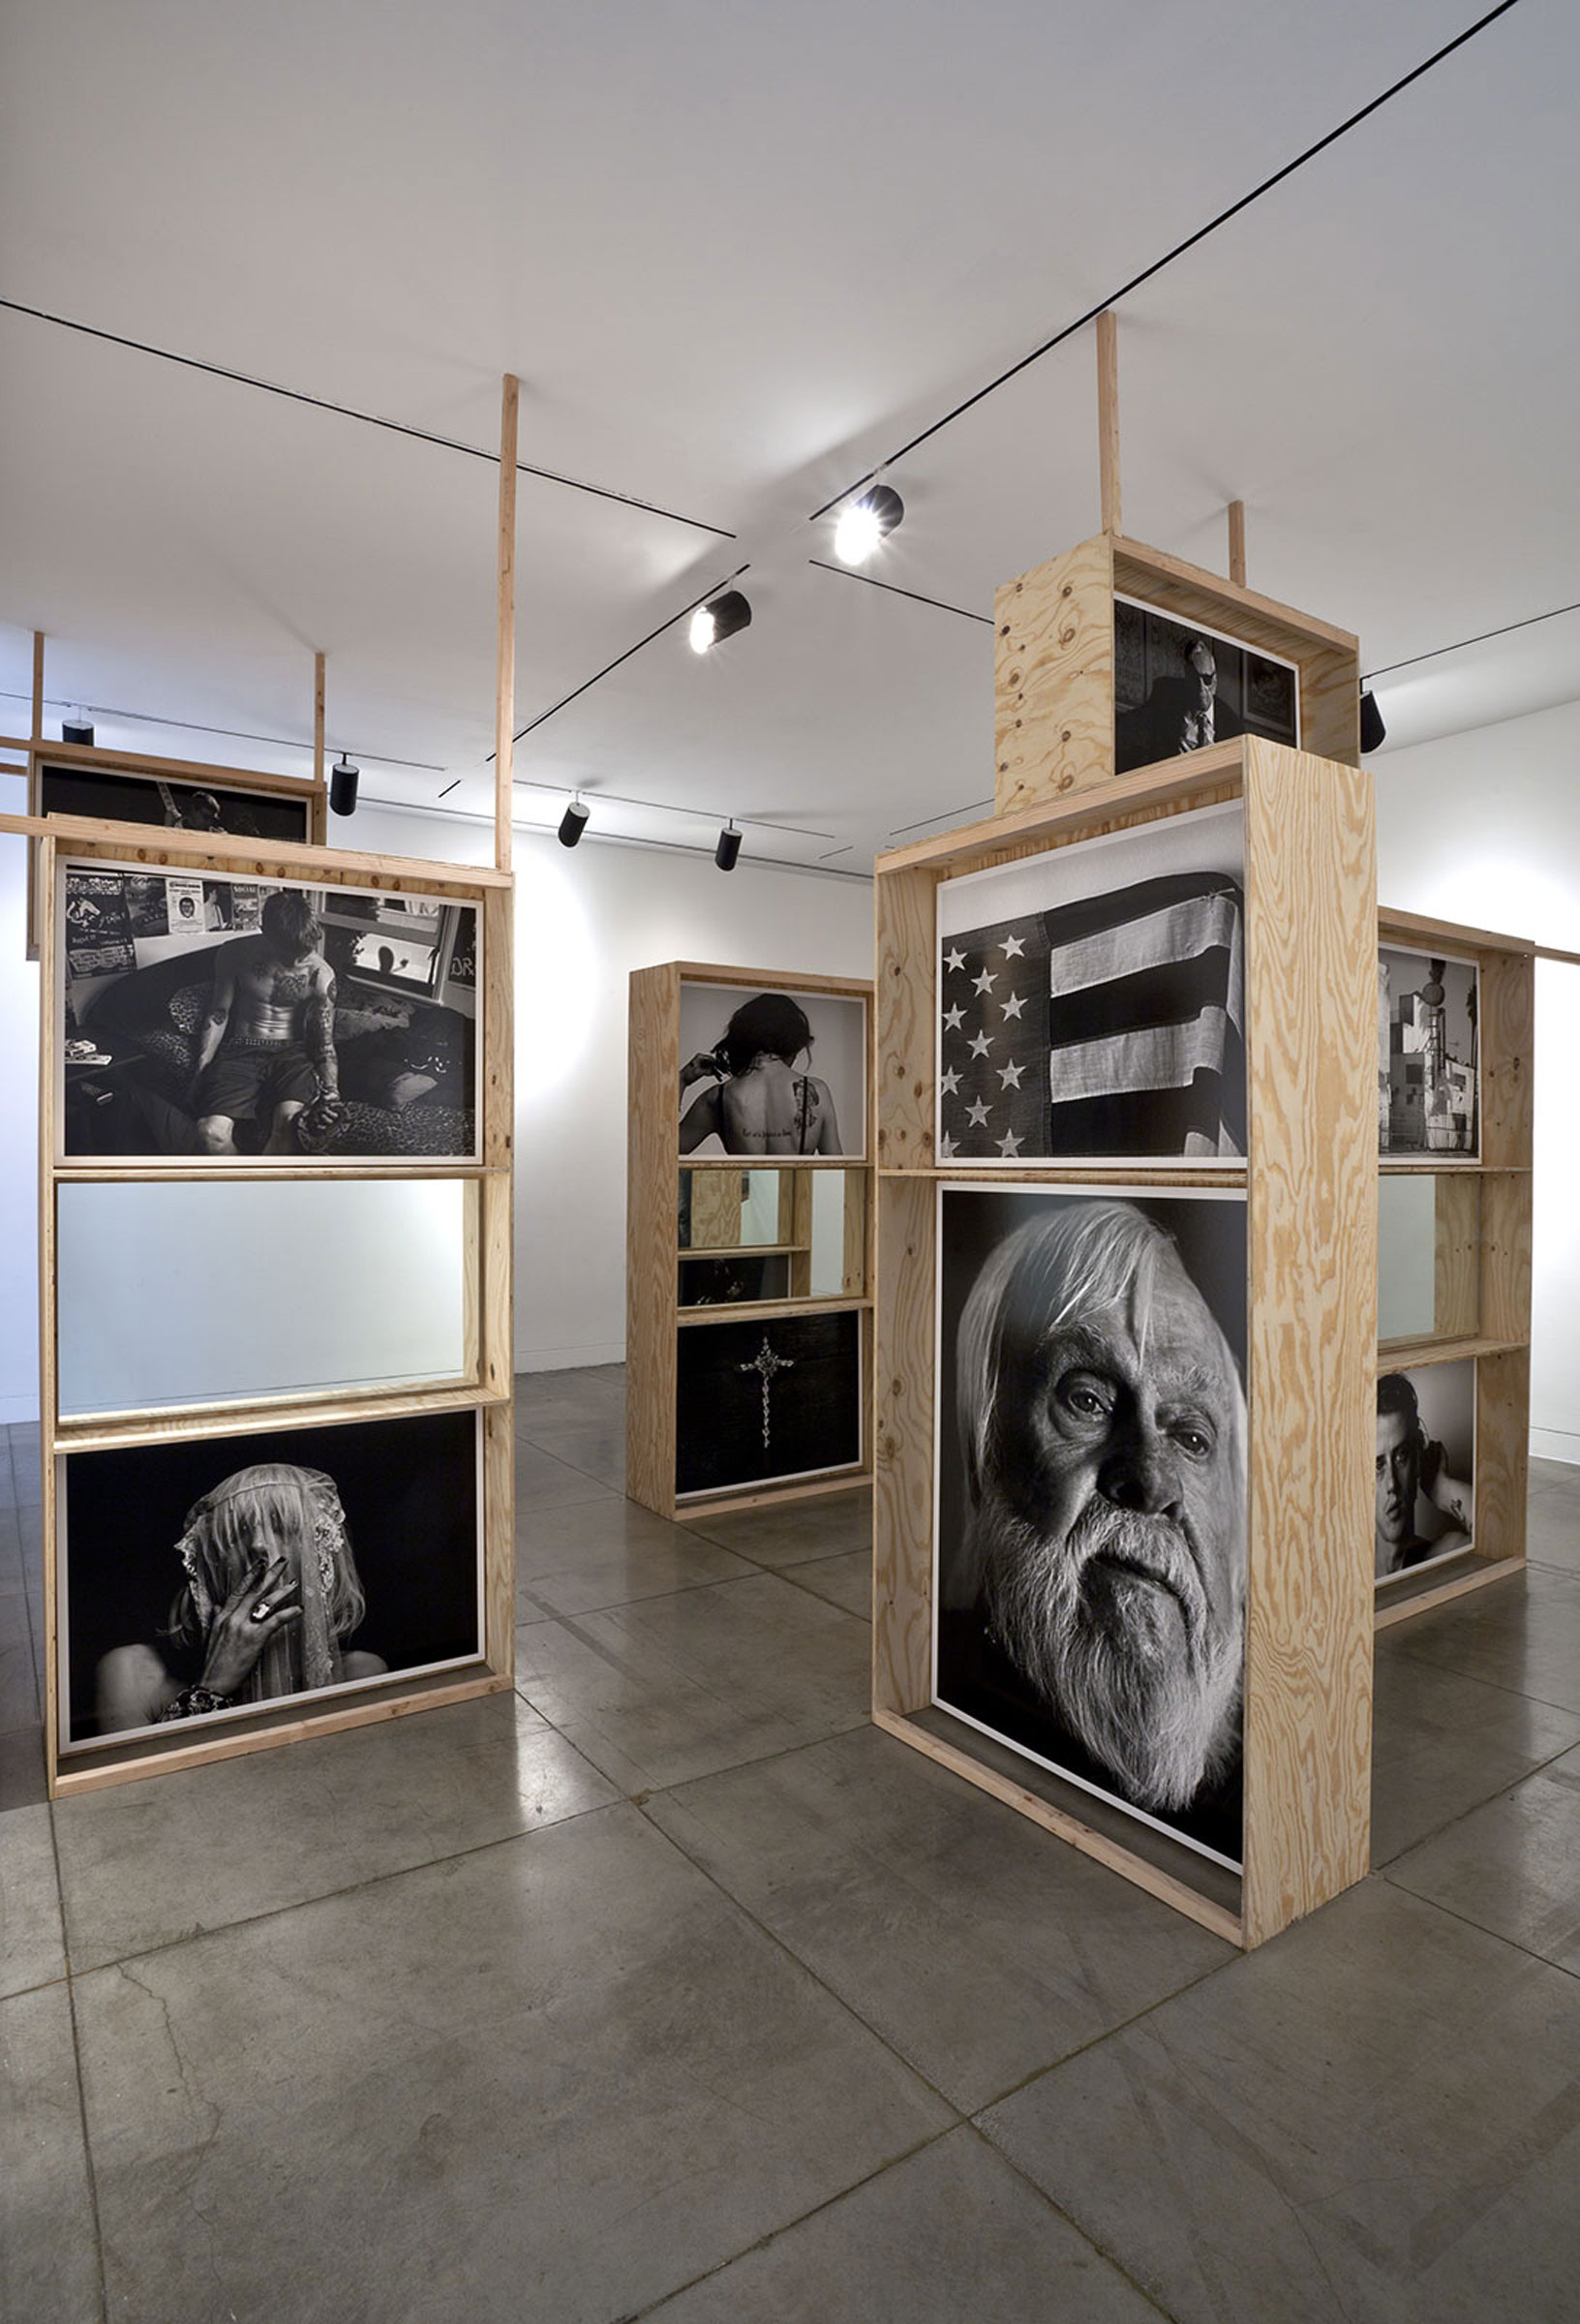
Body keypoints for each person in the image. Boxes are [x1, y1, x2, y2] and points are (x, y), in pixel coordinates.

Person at [940, 1200, 1246, 1848]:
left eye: (1192, 1438)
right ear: (983, 1449)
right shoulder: (944, 1690)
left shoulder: (1276, 1783)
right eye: (1088, 1400)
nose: (1152, 1484)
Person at [95, 1463, 386, 1734]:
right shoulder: (133, 1672)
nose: (259, 1545)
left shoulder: (359, 1674)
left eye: (282, 1527)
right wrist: (212, 1686)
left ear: (320, 1551)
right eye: (238, 1533)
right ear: (210, 1562)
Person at [189, 889, 339, 1154]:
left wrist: (331, 1091)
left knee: (289, 1126)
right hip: (241, 1049)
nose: (296, 961)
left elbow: (324, 1043)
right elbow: (218, 1014)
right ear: (265, 931)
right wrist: (200, 1071)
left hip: (292, 1054)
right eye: (288, 952)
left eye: (303, 952)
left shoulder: (321, 974)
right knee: (210, 1134)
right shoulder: (234, 954)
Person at [679, 992, 841, 1155]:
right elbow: (838, 1167)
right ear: (793, 1040)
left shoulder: (717, 1098)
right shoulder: (817, 1090)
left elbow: (669, 1150)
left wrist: (682, 1079)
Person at [1375, 1372, 1472, 1575]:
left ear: (1418, 1457)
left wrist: (1444, 1489)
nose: (1392, 1483)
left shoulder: (1442, 1556)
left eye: (1401, 1456)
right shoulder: (1343, 1562)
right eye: (1378, 1465)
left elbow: (1502, 1541)